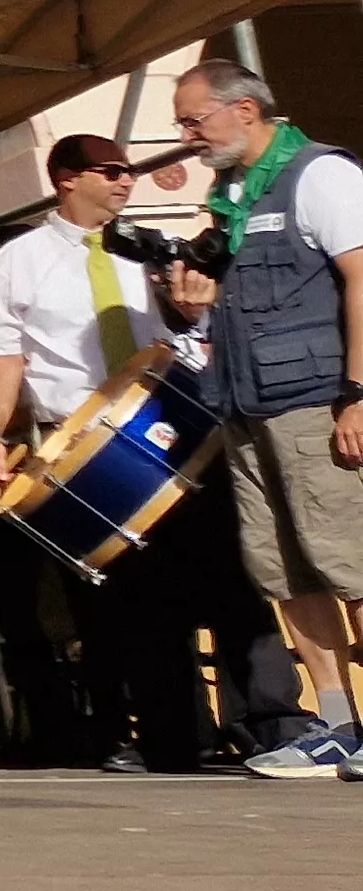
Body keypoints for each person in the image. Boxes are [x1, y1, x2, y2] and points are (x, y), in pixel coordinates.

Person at [0, 133, 299, 769]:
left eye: (130, 171)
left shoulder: (151, 250)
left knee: (235, 577)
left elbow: (197, 326)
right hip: (87, 439)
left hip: (179, 421)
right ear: (66, 178)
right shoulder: (17, 261)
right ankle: (173, 736)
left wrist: (187, 307)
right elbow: (2, 353)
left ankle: (275, 725)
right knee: (132, 596)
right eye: (112, 171)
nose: (126, 181)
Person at [165, 62, 363, 781]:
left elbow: (362, 277)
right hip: (247, 405)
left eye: (194, 121)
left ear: (243, 109)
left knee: (352, 562)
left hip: (319, 400)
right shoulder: (232, 195)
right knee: (287, 569)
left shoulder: (322, 175)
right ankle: (339, 726)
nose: (186, 137)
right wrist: (195, 308)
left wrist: (359, 390)